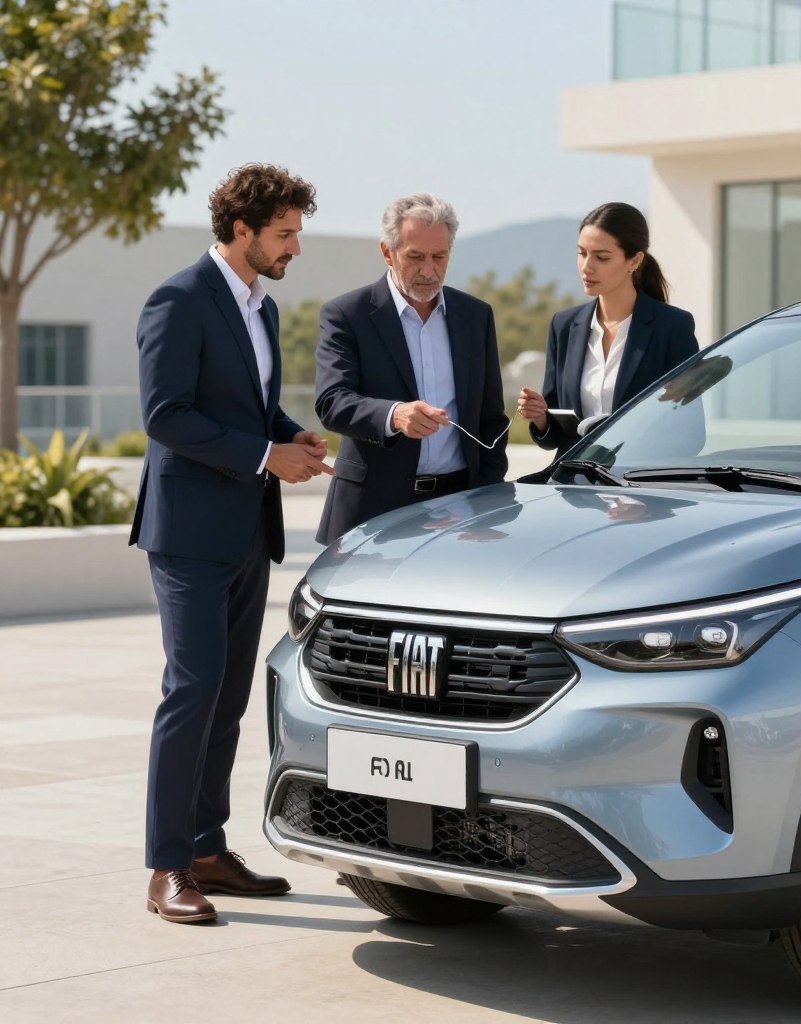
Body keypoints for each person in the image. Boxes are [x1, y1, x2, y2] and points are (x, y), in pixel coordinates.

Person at [130, 164, 330, 924]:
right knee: (192, 690)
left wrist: (287, 435)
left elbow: (251, 405)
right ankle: (166, 866)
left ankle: (208, 848)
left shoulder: (262, 307)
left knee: (230, 698)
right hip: (186, 534)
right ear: (241, 230)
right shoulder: (178, 300)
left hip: (248, 527)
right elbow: (165, 415)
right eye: (285, 234)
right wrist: (263, 456)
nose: (295, 248)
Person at [314, 192, 508, 544]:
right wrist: (394, 415)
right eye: (415, 257)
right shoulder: (346, 315)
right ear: (387, 253)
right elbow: (332, 402)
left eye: (440, 256)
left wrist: (486, 497)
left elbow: (491, 418)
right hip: (372, 515)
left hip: (462, 512)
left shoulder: (475, 316)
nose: (429, 270)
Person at [517, 202, 699, 457]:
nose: (586, 267)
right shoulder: (565, 326)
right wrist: (540, 418)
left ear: (634, 260)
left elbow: (690, 436)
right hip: (575, 486)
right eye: (582, 253)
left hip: (640, 486)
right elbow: (555, 437)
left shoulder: (672, 328)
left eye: (601, 257)